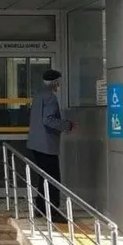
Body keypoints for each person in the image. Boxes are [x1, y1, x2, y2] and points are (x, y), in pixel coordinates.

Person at [26, 69, 74, 222]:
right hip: (46, 145)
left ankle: (41, 208)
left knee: (43, 178)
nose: (60, 85)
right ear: (55, 82)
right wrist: (67, 125)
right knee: (53, 179)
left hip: (35, 144)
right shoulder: (50, 97)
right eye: (59, 82)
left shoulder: (38, 95)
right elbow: (48, 120)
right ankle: (52, 211)